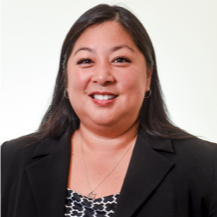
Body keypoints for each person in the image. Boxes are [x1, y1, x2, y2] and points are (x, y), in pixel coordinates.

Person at [1, 4, 217, 217]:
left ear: (148, 76)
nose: (103, 76)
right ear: (65, 79)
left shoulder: (208, 166)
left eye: (120, 60)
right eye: (86, 61)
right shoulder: (11, 159)